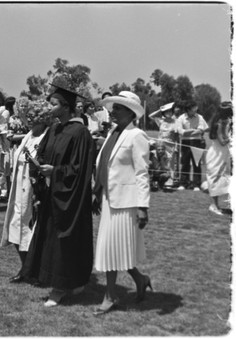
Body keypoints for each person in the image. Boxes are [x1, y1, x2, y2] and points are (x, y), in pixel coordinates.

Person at [20, 83, 95, 307]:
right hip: (50, 194)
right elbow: (43, 153)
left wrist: (56, 172)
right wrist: (37, 165)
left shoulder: (80, 133)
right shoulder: (53, 129)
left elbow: (81, 169)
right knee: (49, 239)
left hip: (69, 198)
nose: (49, 107)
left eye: (53, 104)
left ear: (66, 107)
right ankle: (62, 282)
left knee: (65, 240)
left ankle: (61, 287)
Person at [92, 91, 151, 315]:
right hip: (108, 199)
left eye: (117, 108)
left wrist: (143, 207)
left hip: (126, 202)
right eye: (114, 107)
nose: (113, 111)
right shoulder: (113, 133)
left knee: (113, 249)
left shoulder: (137, 135)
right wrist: (97, 193)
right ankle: (140, 279)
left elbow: (142, 173)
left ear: (129, 111)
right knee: (116, 249)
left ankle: (110, 296)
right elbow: (104, 165)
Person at [1, 101, 51, 284]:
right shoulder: (28, 135)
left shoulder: (47, 136)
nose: (26, 119)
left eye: (29, 116)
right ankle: (25, 268)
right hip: (19, 188)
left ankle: (36, 271)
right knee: (15, 227)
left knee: (33, 230)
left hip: (34, 189)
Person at [205, 101, 232, 215]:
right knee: (215, 179)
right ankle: (213, 205)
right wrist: (231, 138)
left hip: (222, 155)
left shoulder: (224, 123)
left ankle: (219, 205)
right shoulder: (219, 124)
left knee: (224, 179)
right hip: (216, 155)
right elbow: (222, 142)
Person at [176, 101, 209, 191]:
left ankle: (196, 185)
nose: (196, 109)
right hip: (185, 143)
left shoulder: (200, 117)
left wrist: (188, 132)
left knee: (196, 163)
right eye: (194, 108)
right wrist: (192, 131)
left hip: (197, 142)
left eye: (196, 108)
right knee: (185, 163)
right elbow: (180, 131)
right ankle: (183, 183)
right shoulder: (181, 118)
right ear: (188, 110)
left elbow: (201, 130)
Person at [148, 102, 179, 187]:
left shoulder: (176, 122)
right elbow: (150, 116)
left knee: (170, 164)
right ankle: (158, 180)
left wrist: (176, 146)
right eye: (166, 111)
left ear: (172, 112)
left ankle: (170, 180)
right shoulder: (161, 121)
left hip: (170, 145)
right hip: (160, 145)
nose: (168, 113)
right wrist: (160, 109)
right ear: (164, 113)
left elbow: (177, 136)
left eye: (170, 111)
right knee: (158, 163)